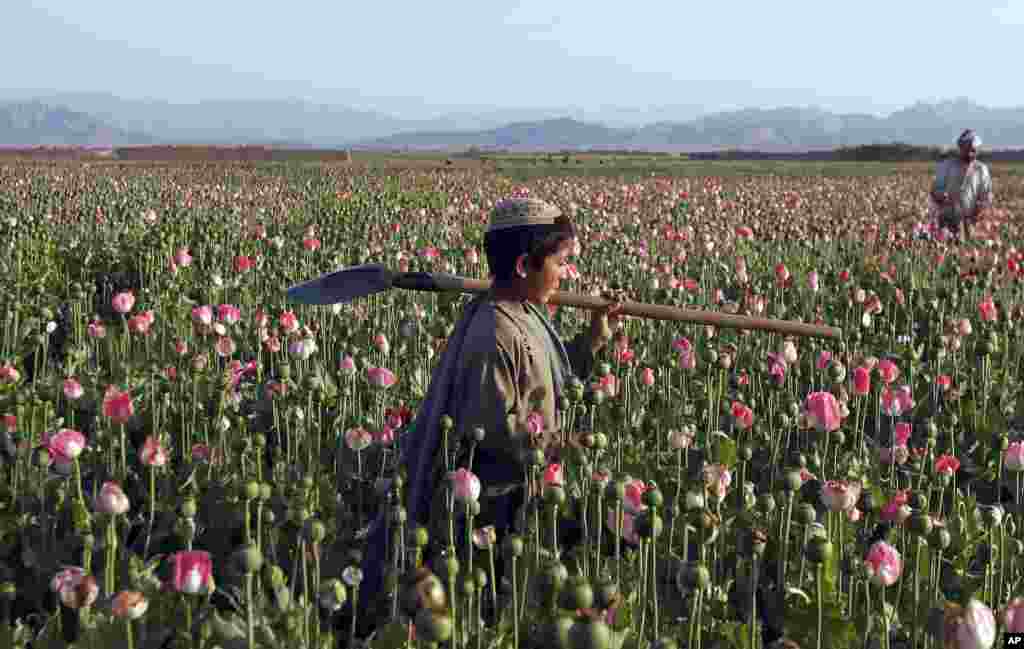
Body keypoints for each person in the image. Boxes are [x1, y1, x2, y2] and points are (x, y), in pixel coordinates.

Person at [352, 197, 622, 634]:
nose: (566, 274)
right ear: (522, 265)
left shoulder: (526, 311)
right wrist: (565, 445)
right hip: (494, 514)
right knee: (496, 611)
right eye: (560, 262)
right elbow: (495, 432)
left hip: (530, 496)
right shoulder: (492, 333)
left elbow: (550, 378)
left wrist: (593, 338)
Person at [930, 129, 994, 241]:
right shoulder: (947, 166)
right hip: (947, 218)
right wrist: (941, 196)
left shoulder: (981, 170)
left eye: (973, 151)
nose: (970, 154)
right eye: (966, 150)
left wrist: (979, 209)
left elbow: (986, 195)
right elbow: (935, 190)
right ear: (960, 148)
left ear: (977, 151)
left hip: (972, 221)